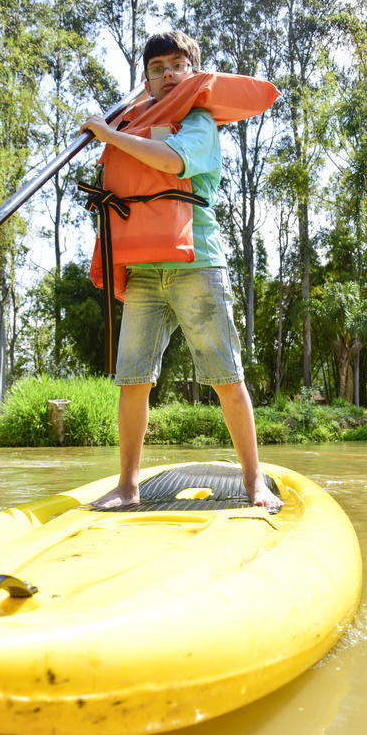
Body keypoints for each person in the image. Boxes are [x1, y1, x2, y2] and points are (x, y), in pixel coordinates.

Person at [80, 30, 282, 512]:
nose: (168, 74)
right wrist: (107, 130)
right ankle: (127, 486)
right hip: (145, 272)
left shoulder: (197, 122)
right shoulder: (132, 121)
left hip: (197, 263)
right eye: (157, 68)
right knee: (132, 380)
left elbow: (172, 161)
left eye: (177, 65)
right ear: (146, 80)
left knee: (225, 376)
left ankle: (254, 481)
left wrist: (110, 134)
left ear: (194, 73)